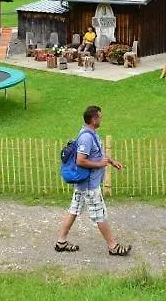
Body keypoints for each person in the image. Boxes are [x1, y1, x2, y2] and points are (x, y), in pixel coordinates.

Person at [55, 105, 131, 257]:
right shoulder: (86, 137)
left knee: (74, 210)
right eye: (100, 116)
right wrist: (99, 164)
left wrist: (111, 161)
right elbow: (80, 161)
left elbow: (97, 154)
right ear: (94, 119)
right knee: (100, 215)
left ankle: (61, 242)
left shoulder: (92, 134)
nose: (102, 118)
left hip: (84, 184)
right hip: (89, 186)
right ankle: (113, 246)